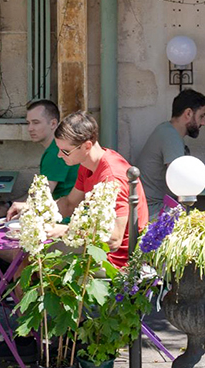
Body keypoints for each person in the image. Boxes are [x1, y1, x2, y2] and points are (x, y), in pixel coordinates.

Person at [11, 110, 147, 266]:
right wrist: (33, 212)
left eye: (65, 151)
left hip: (113, 260)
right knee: (24, 251)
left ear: (87, 146)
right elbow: (69, 204)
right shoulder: (89, 164)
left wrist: (62, 231)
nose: (59, 156)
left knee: (25, 257)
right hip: (95, 249)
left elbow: (114, 239)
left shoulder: (112, 177)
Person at [135, 89, 205, 217]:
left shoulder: (168, 131)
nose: (203, 123)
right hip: (156, 210)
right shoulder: (170, 136)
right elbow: (184, 184)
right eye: (201, 116)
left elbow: (187, 174)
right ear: (188, 113)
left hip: (166, 203)